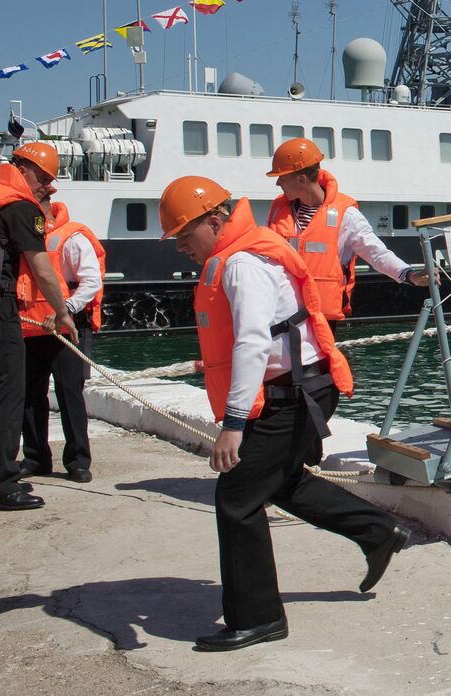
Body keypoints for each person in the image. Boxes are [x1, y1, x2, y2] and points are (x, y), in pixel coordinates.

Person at [159, 175, 410, 652]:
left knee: (237, 499)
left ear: (214, 222)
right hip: (294, 388)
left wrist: (233, 425)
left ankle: (258, 618)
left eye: (185, 237)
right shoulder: (237, 254)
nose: (181, 249)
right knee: (282, 480)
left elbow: (254, 341)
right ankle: (379, 532)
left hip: (290, 395)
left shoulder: (242, 264)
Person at [0, 143, 77, 510]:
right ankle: (0, 485)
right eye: (43, 178)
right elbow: (41, 266)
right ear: (22, 169)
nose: (47, 187)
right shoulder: (16, 205)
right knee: (7, 393)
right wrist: (63, 311)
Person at [264, 138, 432, 337]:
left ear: (301, 179)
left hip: (321, 319)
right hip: (281, 313)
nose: (277, 183)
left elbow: (376, 252)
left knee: (317, 369)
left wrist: (409, 275)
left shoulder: (347, 215)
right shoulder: (278, 210)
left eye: (282, 177)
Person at [20, 199, 105, 483]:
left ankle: (78, 461)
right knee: (30, 395)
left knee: (70, 394)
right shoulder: (23, 236)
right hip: (31, 326)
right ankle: (35, 457)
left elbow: (91, 281)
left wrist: (64, 309)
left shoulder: (72, 237)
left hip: (65, 326)